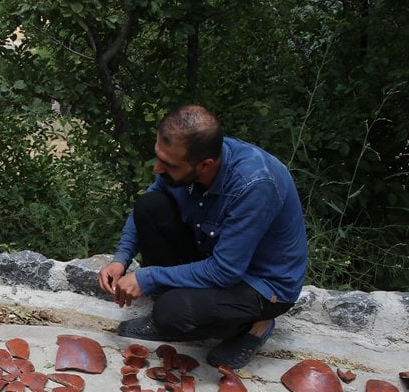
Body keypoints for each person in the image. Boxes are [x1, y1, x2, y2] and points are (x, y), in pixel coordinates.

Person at [98, 105, 308, 369]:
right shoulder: (191, 157)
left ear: (205, 165)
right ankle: (182, 311)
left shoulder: (254, 184)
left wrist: (147, 278)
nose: (158, 169)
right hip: (213, 253)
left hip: (260, 285)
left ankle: (254, 325)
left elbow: (225, 271)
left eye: (169, 165)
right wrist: (121, 258)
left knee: (171, 312)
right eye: (159, 158)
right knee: (150, 206)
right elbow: (148, 203)